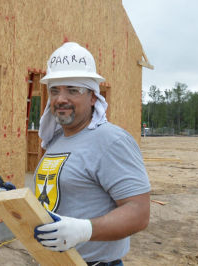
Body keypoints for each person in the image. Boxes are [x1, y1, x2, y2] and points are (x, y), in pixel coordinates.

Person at [33, 42, 151, 266]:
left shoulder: (111, 141)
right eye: (55, 90)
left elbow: (139, 212)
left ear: (93, 97)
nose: (60, 99)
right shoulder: (56, 140)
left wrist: (84, 230)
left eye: (73, 90)